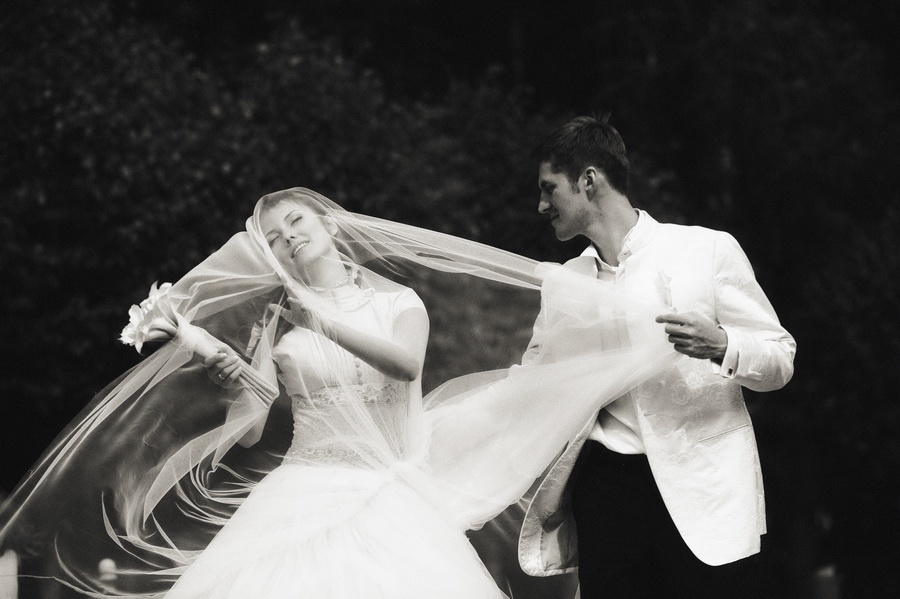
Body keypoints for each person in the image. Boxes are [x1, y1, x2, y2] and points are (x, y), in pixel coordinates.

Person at [0, 187, 681, 598]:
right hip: (300, 491)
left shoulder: (397, 302)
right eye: (275, 239)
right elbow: (252, 419)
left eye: (297, 222)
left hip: (387, 491)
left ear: (328, 224)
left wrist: (320, 320)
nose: (289, 238)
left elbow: (406, 365)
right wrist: (217, 364)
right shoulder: (278, 322)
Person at [517, 115, 797, 598]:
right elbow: (534, 378)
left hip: (705, 490)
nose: (541, 205)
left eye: (549, 188)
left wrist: (723, 345)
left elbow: (781, 358)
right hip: (605, 489)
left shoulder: (707, 250)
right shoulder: (564, 282)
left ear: (588, 180)